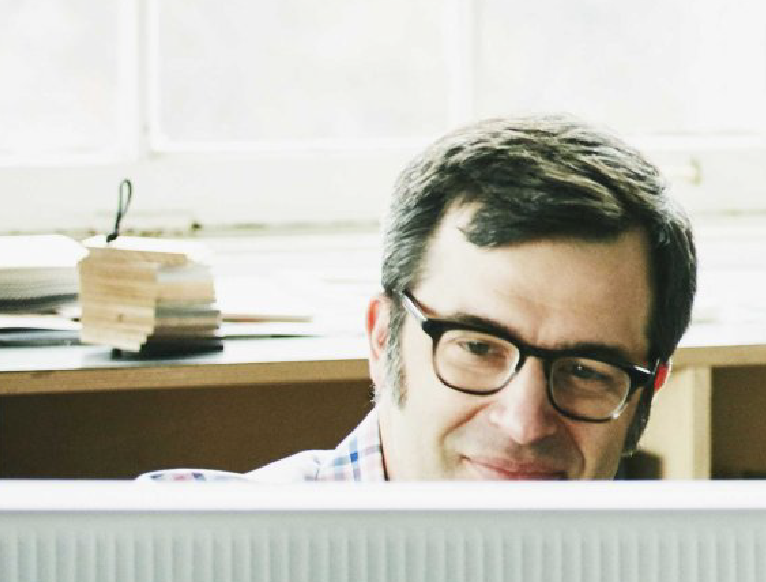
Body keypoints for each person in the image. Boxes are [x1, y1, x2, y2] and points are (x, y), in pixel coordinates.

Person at [144, 114, 698, 482]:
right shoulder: (167, 557)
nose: (525, 423)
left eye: (585, 370)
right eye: (478, 348)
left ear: (648, 393)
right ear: (383, 339)